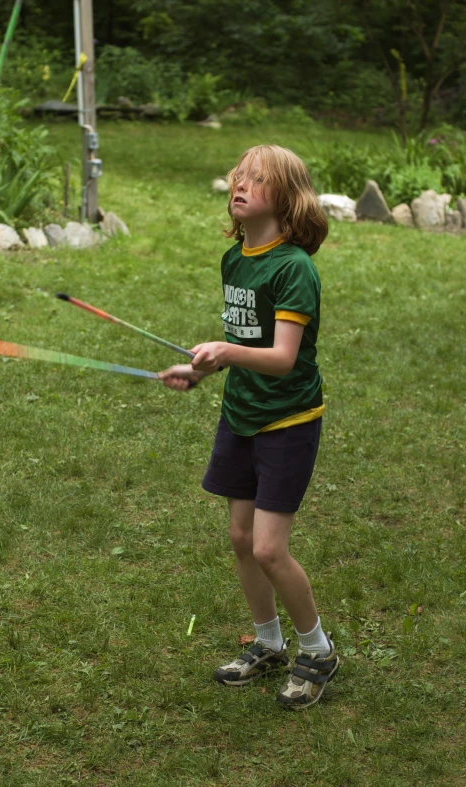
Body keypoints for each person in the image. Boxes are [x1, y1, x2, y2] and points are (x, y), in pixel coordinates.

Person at [159, 144, 339, 710]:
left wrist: (225, 352)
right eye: (237, 176)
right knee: (240, 538)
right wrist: (199, 370)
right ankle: (268, 642)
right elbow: (245, 347)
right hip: (241, 413)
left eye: (255, 179)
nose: (239, 185)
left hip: (286, 421)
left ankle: (318, 650)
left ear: (285, 198)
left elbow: (282, 357)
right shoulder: (235, 259)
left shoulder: (294, 269)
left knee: (267, 548)